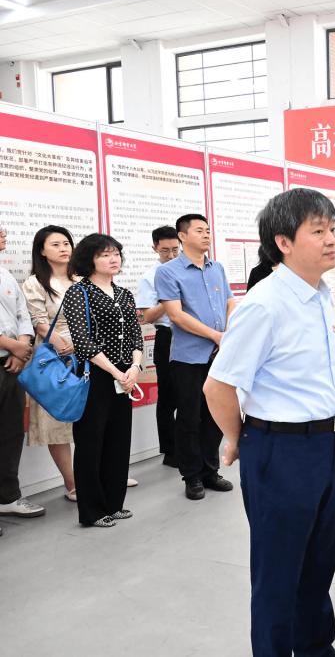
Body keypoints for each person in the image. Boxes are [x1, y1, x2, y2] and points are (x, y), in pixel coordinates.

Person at [203, 189, 335, 657]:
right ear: (284, 242)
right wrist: (237, 438)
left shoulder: (318, 295)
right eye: (318, 230)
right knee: (278, 569)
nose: (331, 239)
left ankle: (315, 648)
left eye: (332, 229)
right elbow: (218, 386)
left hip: (325, 442)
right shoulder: (265, 303)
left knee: (318, 558)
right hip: (281, 450)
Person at [63, 234, 144, 528]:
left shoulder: (124, 294)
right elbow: (82, 342)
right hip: (95, 374)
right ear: (90, 260)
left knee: (118, 440)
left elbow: (136, 335)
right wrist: (116, 372)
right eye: (105, 255)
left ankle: (114, 503)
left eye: (116, 254)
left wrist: (135, 367)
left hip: (125, 374)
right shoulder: (78, 292)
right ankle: (92, 511)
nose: (113, 259)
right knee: (90, 441)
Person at [156, 214, 235, 500]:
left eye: (208, 230)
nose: (206, 235)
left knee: (215, 415)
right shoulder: (168, 272)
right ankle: (191, 477)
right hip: (188, 357)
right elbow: (176, 315)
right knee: (189, 417)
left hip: (219, 354)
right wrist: (215, 336)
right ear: (182, 236)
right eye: (199, 230)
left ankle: (210, 471)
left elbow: (230, 301)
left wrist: (228, 332)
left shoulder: (217, 268)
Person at [21, 225, 78, 500]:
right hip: (54, 357)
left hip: (88, 355)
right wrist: (64, 345)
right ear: (42, 251)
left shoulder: (82, 279)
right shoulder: (34, 283)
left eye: (66, 243)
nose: (63, 248)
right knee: (57, 423)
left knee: (93, 418)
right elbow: (40, 323)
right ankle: (72, 484)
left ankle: (100, 474)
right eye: (55, 244)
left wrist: (83, 345)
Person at [0, 224, 46, 521]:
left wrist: (22, 347)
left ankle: (7, 497)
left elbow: (22, 315)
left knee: (11, 432)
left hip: (11, 365)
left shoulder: (5, 274)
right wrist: (12, 346)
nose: (4, 234)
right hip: (9, 354)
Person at [136, 225, 180, 467]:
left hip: (193, 336)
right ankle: (171, 452)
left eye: (175, 249)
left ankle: (190, 446)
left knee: (193, 396)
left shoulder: (188, 269)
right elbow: (146, 317)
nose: (171, 256)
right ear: (155, 248)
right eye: (165, 251)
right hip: (168, 337)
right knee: (168, 397)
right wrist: (170, 297)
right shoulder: (150, 276)